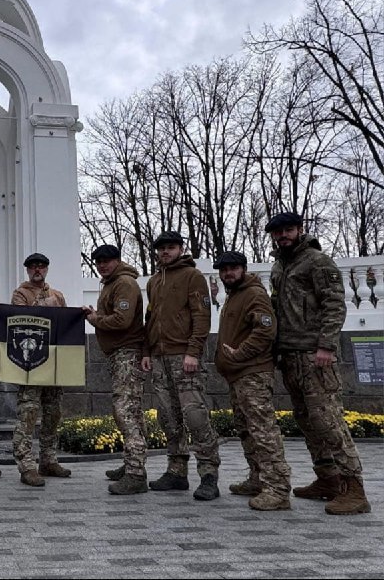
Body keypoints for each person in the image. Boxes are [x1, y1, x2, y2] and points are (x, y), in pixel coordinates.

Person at [267, 212, 371, 514]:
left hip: (315, 356)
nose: (283, 235)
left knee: (328, 421)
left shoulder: (317, 261)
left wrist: (326, 345)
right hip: (290, 355)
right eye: (278, 232)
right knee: (307, 420)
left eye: (288, 230)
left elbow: (335, 303)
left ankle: (355, 489)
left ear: (300, 230)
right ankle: (327, 478)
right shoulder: (280, 265)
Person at [145, 231, 221, 501]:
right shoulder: (155, 281)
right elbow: (150, 317)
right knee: (168, 417)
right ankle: (177, 471)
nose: (166, 252)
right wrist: (148, 351)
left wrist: (193, 352)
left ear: (180, 249)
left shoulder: (193, 277)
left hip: (184, 357)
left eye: (171, 247)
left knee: (195, 416)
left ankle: (209, 474)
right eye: (162, 248)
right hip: (159, 357)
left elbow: (202, 316)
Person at [214, 251, 291, 511]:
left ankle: (278, 489)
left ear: (244, 269)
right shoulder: (235, 295)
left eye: (233, 268)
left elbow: (266, 330)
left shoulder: (254, 294)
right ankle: (258, 478)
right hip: (238, 374)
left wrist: (239, 354)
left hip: (253, 373)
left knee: (263, 431)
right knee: (246, 429)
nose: (228, 273)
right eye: (224, 270)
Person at [82, 245, 149, 495]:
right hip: (119, 354)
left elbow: (122, 320)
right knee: (129, 410)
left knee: (126, 411)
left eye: (107, 261)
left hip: (127, 354)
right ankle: (132, 463)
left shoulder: (124, 284)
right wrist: (97, 314)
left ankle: (136, 475)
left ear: (117, 261)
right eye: (98, 261)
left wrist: (95, 319)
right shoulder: (112, 283)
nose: (102, 265)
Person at [11, 252, 72, 488]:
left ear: (47, 269)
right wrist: (42, 304)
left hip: (53, 363)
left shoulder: (58, 295)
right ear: (28, 270)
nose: (38, 270)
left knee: (53, 412)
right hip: (30, 363)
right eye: (33, 267)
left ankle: (48, 459)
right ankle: (26, 464)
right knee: (28, 412)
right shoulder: (21, 294)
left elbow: (65, 323)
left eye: (42, 266)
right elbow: (21, 320)